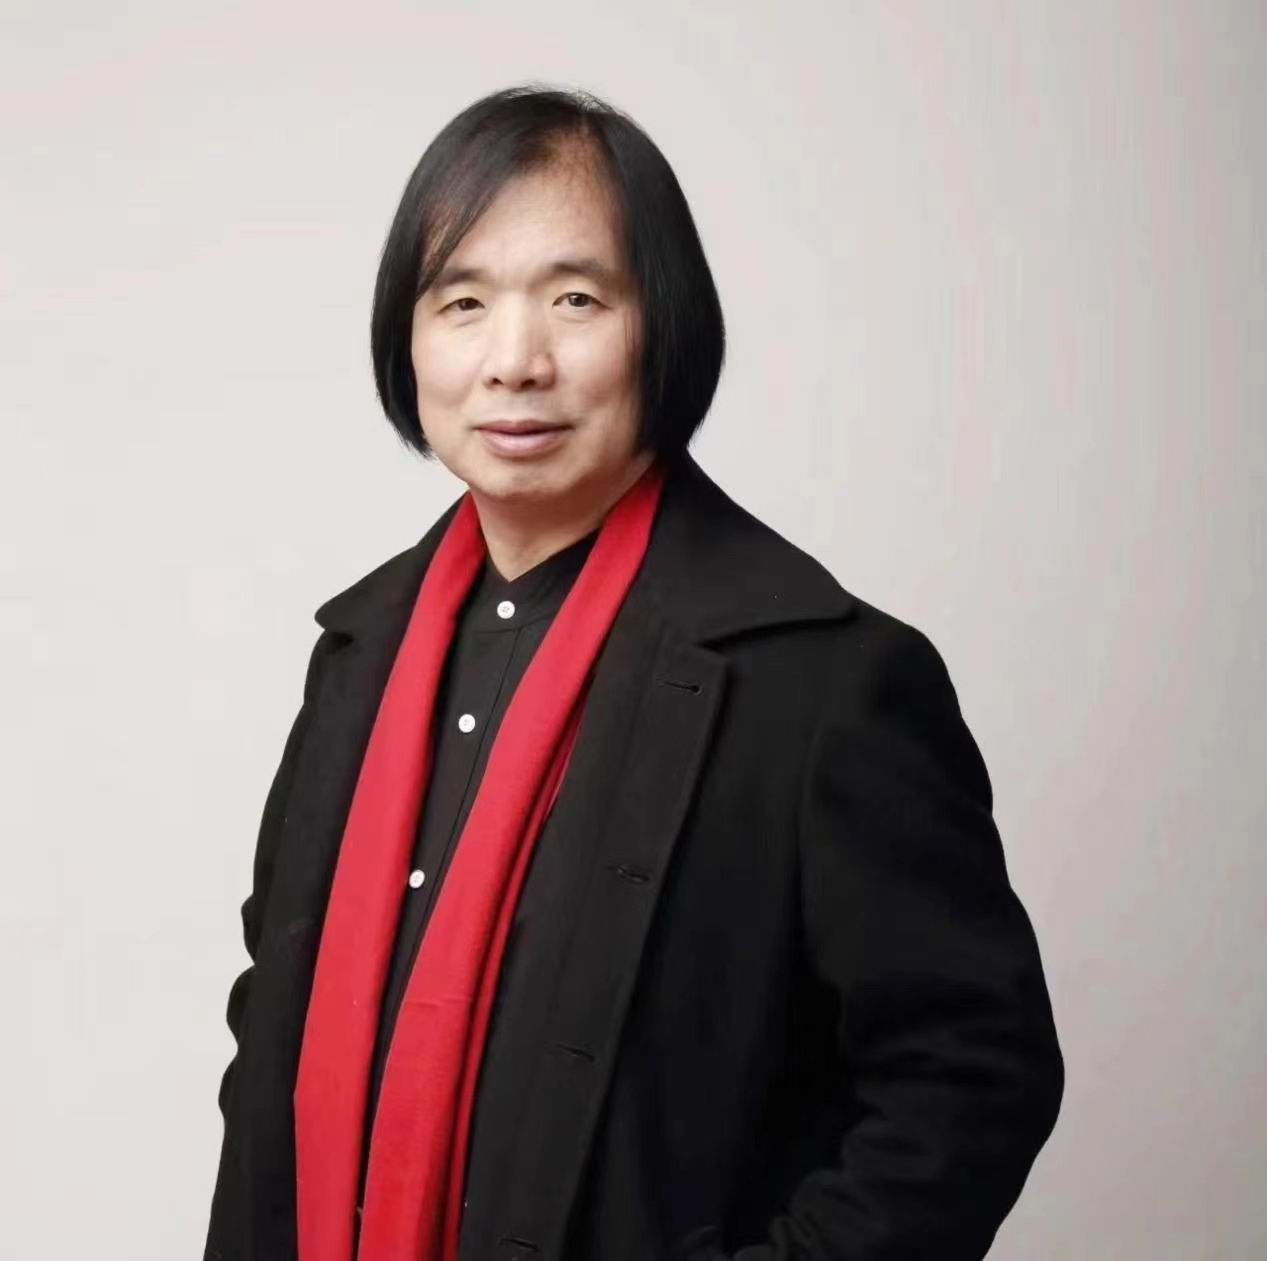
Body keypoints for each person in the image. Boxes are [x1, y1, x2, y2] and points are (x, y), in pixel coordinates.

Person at [204, 84, 1064, 1261]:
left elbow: (967, 1080)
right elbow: (279, 1015)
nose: (515, 361)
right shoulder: (358, 657)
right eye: (462, 302)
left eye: (575, 298)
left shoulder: (822, 682)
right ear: (406, 342)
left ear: (664, 325)